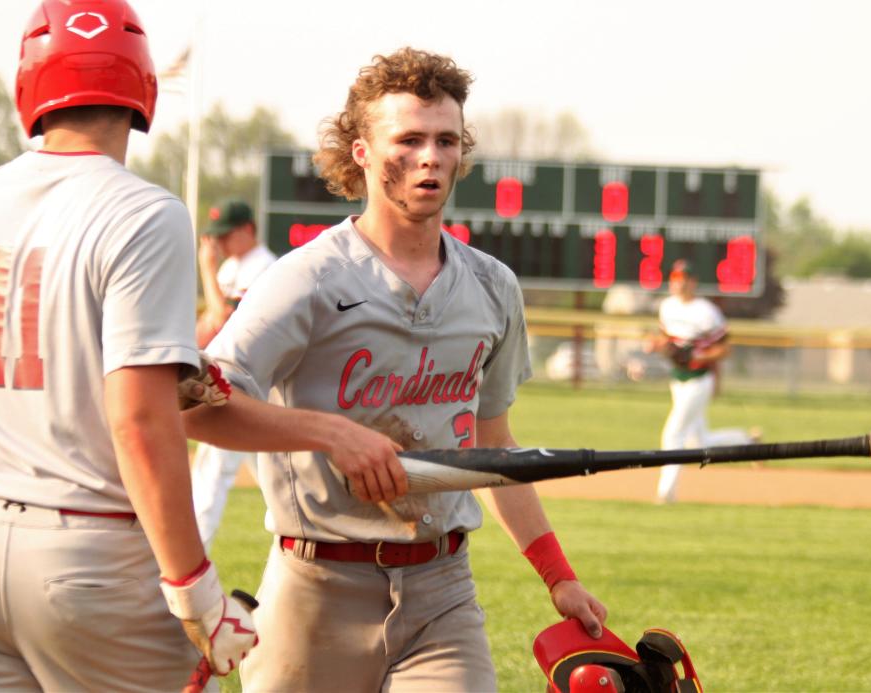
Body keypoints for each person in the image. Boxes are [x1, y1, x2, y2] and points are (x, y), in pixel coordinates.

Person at [183, 47, 607, 691]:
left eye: (445, 139)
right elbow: (196, 407)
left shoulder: (493, 288)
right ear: (361, 152)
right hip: (316, 590)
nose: (430, 157)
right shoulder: (307, 279)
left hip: (443, 590)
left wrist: (559, 576)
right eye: (408, 139)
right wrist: (328, 434)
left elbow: (494, 447)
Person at [0, 1, 256, 690]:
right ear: (143, 88)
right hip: (87, 553)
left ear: (29, 88)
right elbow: (138, 422)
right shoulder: (145, 210)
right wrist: (198, 593)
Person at [191, 199, 276, 548]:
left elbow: (224, 319)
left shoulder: (264, 267)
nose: (219, 244)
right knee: (277, 484)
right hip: (232, 380)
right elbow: (210, 324)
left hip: (245, 383)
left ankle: (188, 569)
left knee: (212, 475)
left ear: (247, 231)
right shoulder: (232, 267)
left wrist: (206, 271)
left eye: (226, 235)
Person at [645, 259, 759, 504]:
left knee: (674, 432)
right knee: (699, 441)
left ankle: (666, 493)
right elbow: (666, 339)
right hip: (677, 379)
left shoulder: (706, 311)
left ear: (693, 282)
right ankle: (747, 442)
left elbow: (725, 348)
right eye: (675, 279)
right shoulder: (667, 306)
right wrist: (656, 344)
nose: (679, 284)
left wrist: (700, 355)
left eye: (683, 279)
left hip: (699, 380)